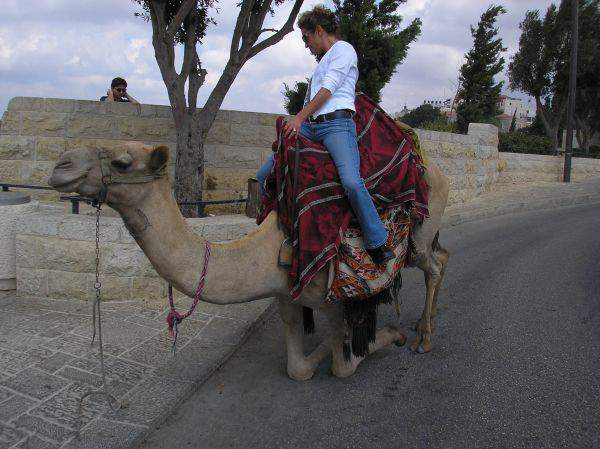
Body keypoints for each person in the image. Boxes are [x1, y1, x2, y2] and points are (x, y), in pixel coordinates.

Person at [256, 5, 394, 265]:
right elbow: (312, 99)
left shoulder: (343, 50)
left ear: (319, 31)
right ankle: (275, 225)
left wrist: (299, 118)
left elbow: (329, 90)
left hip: (336, 126)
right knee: (268, 169)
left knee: (352, 182)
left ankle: (377, 241)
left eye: (306, 38)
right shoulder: (320, 65)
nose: (306, 45)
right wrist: (296, 122)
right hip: (313, 125)